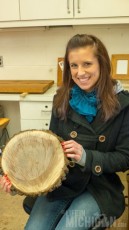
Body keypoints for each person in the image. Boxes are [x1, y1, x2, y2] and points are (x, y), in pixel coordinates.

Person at [0, 34, 129, 230]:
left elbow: (124, 157)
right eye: (73, 65)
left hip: (99, 187)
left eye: (87, 64)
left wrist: (87, 157)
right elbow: (49, 154)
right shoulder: (61, 99)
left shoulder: (123, 104)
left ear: (102, 64)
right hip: (62, 183)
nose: (80, 72)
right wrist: (20, 181)